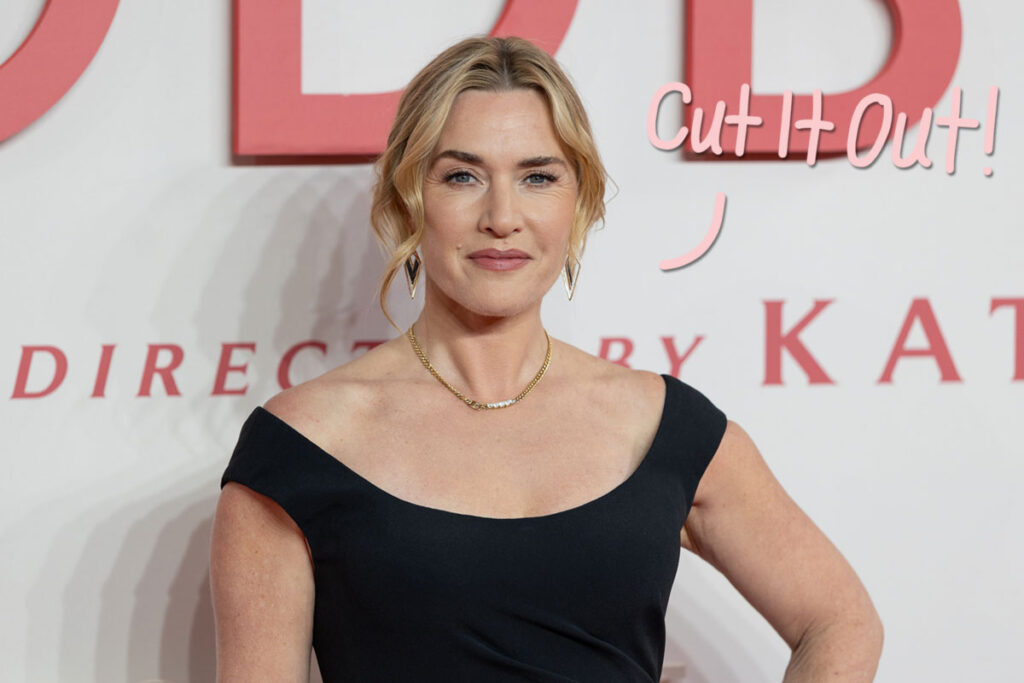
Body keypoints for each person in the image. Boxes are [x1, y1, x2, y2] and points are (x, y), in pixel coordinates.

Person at [209, 36, 883, 682]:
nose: (502, 216)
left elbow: (841, 622)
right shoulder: (301, 448)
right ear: (409, 197)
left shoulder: (662, 427)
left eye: (537, 176)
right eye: (462, 175)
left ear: (577, 200)